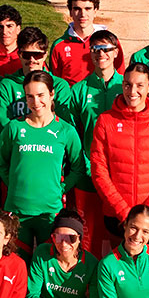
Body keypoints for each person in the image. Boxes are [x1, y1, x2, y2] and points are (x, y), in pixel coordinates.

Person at [88, 63, 149, 248]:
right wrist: (123, 211)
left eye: (140, 85)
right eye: (128, 85)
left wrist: (147, 212)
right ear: (122, 85)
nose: (132, 91)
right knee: (119, 264)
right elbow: (99, 170)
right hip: (117, 215)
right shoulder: (106, 121)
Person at [0, 70, 83, 247]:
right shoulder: (14, 127)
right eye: (30, 96)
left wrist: (60, 189)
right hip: (17, 210)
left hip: (49, 212)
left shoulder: (65, 130)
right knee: (17, 261)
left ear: (52, 94)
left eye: (41, 95)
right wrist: (14, 184)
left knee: (48, 260)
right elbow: (1, 163)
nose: (36, 102)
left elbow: (78, 166)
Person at [65, 28, 124, 249]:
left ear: (116, 52)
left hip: (119, 174)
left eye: (106, 49)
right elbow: (71, 134)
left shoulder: (125, 87)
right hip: (88, 174)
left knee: (119, 238)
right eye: (96, 49)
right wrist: (84, 164)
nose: (101, 54)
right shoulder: (79, 90)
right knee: (89, 240)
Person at [0, 26, 73, 126]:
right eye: (26, 55)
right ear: (19, 54)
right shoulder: (6, 86)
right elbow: (3, 126)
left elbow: (63, 125)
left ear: (45, 55)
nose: (32, 60)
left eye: (37, 55)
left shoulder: (59, 86)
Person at [49, 0, 124, 83]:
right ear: (70, 12)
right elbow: (55, 83)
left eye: (88, 9)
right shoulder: (58, 46)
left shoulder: (110, 42)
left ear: (95, 11)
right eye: (77, 9)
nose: (83, 14)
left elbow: (120, 77)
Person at [0, 4, 23, 77]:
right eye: (0, 27)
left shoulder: (29, 55)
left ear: (18, 29)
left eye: (9, 26)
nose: (4, 31)